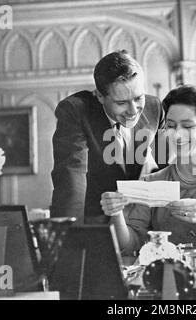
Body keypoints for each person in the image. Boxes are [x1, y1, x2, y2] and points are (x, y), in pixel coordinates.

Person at [101, 84, 196, 254]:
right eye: (171, 126)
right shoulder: (152, 181)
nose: (177, 135)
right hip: (169, 278)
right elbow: (129, 246)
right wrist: (116, 214)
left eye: (188, 126)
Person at [51, 50, 167, 224]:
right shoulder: (76, 110)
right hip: (95, 223)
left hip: (144, 220)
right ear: (99, 96)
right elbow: (72, 178)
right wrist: (71, 237)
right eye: (121, 103)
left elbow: (165, 171)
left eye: (138, 98)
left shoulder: (154, 108)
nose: (133, 110)